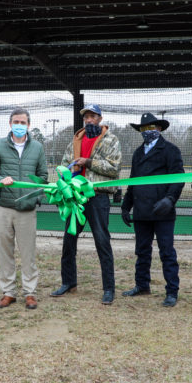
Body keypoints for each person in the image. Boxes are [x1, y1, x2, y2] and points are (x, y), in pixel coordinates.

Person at [51, 103, 122, 305]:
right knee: (69, 240)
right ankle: (68, 282)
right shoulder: (76, 138)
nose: (89, 120)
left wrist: (88, 162)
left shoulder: (111, 140)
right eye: (86, 117)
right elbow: (66, 163)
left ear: (100, 118)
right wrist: (64, 175)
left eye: (93, 116)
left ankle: (109, 288)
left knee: (102, 242)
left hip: (98, 197)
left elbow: (114, 168)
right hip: (76, 197)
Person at [0, 107, 48, 310]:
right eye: (16, 122)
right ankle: (8, 292)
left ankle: (30, 293)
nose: (19, 125)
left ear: (28, 125)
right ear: (10, 124)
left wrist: (35, 195)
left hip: (27, 210)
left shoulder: (37, 147)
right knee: (5, 252)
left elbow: (43, 176)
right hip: (3, 207)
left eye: (22, 122)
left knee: (28, 252)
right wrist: (0, 179)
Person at [120, 112, 184, 307]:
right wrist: (126, 205)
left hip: (162, 211)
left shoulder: (170, 150)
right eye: (143, 128)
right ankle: (142, 285)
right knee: (142, 251)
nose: (147, 131)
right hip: (141, 211)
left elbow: (178, 178)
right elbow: (133, 181)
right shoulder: (138, 153)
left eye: (151, 127)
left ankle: (172, 291)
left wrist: (170, 199)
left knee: (166, 252)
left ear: (159, 129)